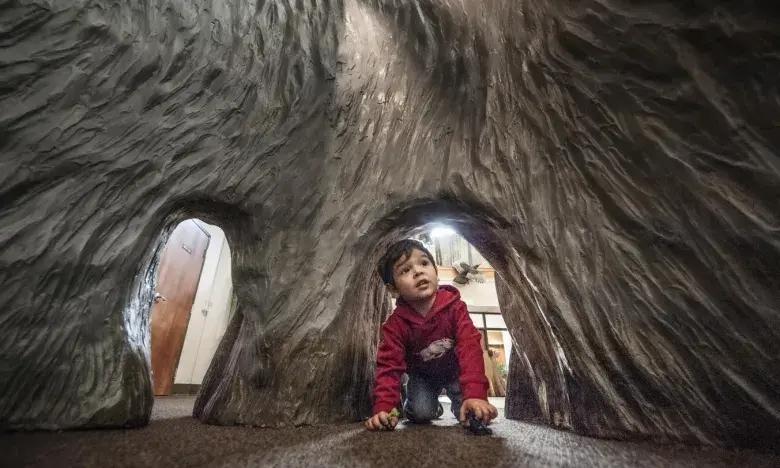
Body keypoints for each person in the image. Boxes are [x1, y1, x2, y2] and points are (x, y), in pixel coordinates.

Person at [365, 239, 498, 431]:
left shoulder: (455, 308)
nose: (418, 271)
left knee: (473, 411)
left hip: (456, 372)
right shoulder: (395, 325)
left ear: (435, 271)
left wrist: (475, 394)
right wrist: (384, 408)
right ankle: (429, 408)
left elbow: (470, 346)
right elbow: (389, 366)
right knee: (420, 414)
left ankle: (461, 405)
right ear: (393, 289)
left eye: (424, 263)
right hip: (422, 377)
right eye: (405, 270)